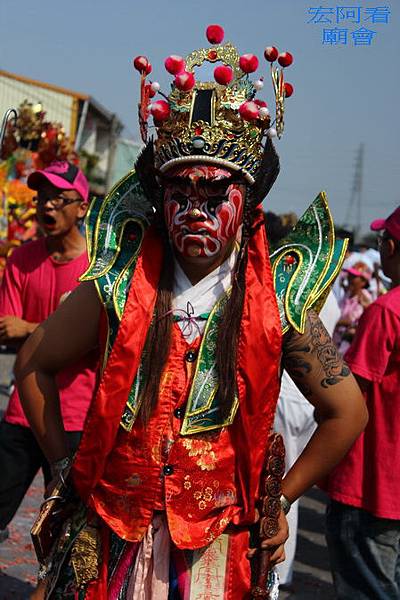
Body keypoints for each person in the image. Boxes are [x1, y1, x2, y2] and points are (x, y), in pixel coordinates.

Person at [15, 26, 367, 599]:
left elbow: (346, 413)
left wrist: (280, 499)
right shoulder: (122, 282)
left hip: (215, 549)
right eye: (181, 194)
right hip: (114, 536)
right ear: (160, 200)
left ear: (246, 201)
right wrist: (64, 468)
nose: (195, 211)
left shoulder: (275, 297)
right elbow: (32, 363)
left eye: (214, 196)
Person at [0, 161, 97, 545]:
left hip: (75, 418)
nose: (48, 207)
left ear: (82, 207)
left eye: (59, 198)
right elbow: (8, 329)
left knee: (63, 528)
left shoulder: (96, 268)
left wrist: (31, 330)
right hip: (21, 411)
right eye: (42, 198)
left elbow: (97, 343)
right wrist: (55, 334)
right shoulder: (22, 259)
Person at [325, 206, 400, 599]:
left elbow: (350, 397)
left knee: (367, 587)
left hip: (369, 481)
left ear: (390, 246)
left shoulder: (387, 312)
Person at [333, 261, 373, 354]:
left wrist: (331, 322)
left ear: (363, 282)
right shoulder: (349, 293)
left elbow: (350, 320)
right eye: (350, 275)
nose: (350, 278)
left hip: (348, 347)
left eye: (354, 277)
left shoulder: (364, 297)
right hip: (337, 341)